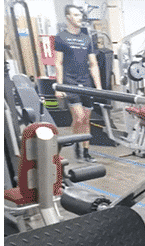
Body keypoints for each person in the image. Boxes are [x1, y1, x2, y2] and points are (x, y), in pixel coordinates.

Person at [54, 5, 102, 162]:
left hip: (85, 83)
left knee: (86, 119)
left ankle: (86, 151)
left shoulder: (86, 38)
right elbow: (58, 63)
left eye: (80, 15)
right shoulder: (61, 37)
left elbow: (93, 64)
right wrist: (59, 86)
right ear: (68, 17)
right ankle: (76, 143)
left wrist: (98, 87)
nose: (79, 18)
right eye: (75, 15)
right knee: (79, 118)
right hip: (70, 83)